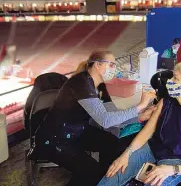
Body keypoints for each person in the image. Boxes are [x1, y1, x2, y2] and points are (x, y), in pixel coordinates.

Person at [32, 50, 156, 186]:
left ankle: (107, 176)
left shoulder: (98, 86)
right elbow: (105, 120)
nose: (114, 69)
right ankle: (97, 177)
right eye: (111, 65)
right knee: (90, 173)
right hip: (56, 139)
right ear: (97, 65)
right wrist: (140, 106)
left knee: (112, 143)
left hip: (77, 131)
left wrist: (139, 116)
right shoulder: (81, 83)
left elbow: (110, 116)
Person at [98, 61, 181, 186]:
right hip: (152, 149)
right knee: (112, 175)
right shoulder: (166, 102)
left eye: (175, 78)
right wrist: (127, 153)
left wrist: (171, 170)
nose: (170, 81)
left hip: (177, 161)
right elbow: (147, 132)